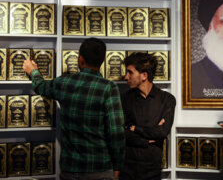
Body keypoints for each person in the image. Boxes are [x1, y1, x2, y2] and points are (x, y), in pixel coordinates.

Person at [22, 37, 125, 180]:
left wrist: (33, 71)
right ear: (102, 61)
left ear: (81, 59)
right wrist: (118, 165)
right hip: (100, 167)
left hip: (71, 168)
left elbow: (41, 87)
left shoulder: (64, 82)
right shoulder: (109, 88)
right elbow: (116, 132)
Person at [119, 52, 176, 180]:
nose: (126, 77)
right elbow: (121, 132)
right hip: (127, 170)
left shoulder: (167, 99)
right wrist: (146, 140)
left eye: (130, 72)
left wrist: (134, 128)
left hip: (153, 171)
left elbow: (162, 132)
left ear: (144, 75)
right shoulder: (124, 98)